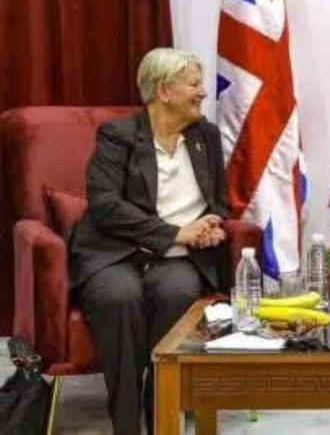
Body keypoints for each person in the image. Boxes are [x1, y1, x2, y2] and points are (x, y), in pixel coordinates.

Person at [68, 48, 230, 435]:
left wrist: (213, 226)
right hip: (114, 252)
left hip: (178, 258)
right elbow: (105, 206)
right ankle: (126, 425)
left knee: (179, 292)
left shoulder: (205, 136)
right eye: (194, 84)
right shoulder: (118, 136)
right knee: (118, 297)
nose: (203, 92)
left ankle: (162, 417)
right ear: (163, 91)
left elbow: (219, 200)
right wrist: (174, 232)